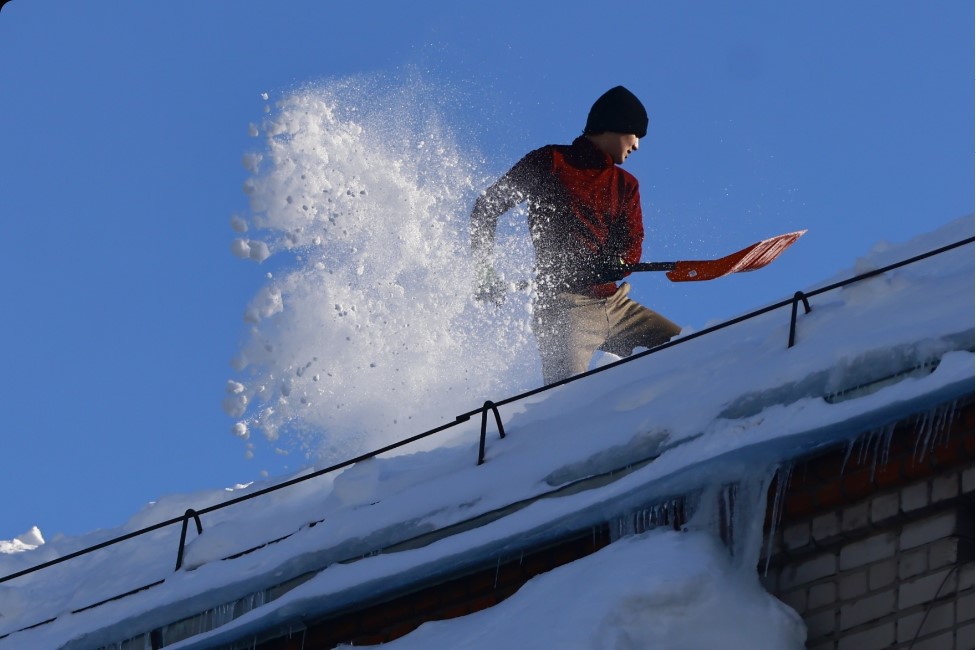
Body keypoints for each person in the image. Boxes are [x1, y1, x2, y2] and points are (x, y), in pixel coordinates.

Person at [470, 85, 681, 385]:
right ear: (616, 125)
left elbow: (632, 244)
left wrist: (619, 261)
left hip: (617, 305)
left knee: (691, 347)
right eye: (636, 134)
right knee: (565, 396)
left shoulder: (626, 185)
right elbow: (485, 208)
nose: (637, 145)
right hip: (563, 308)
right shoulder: (551, 162)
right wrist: (484, 272)